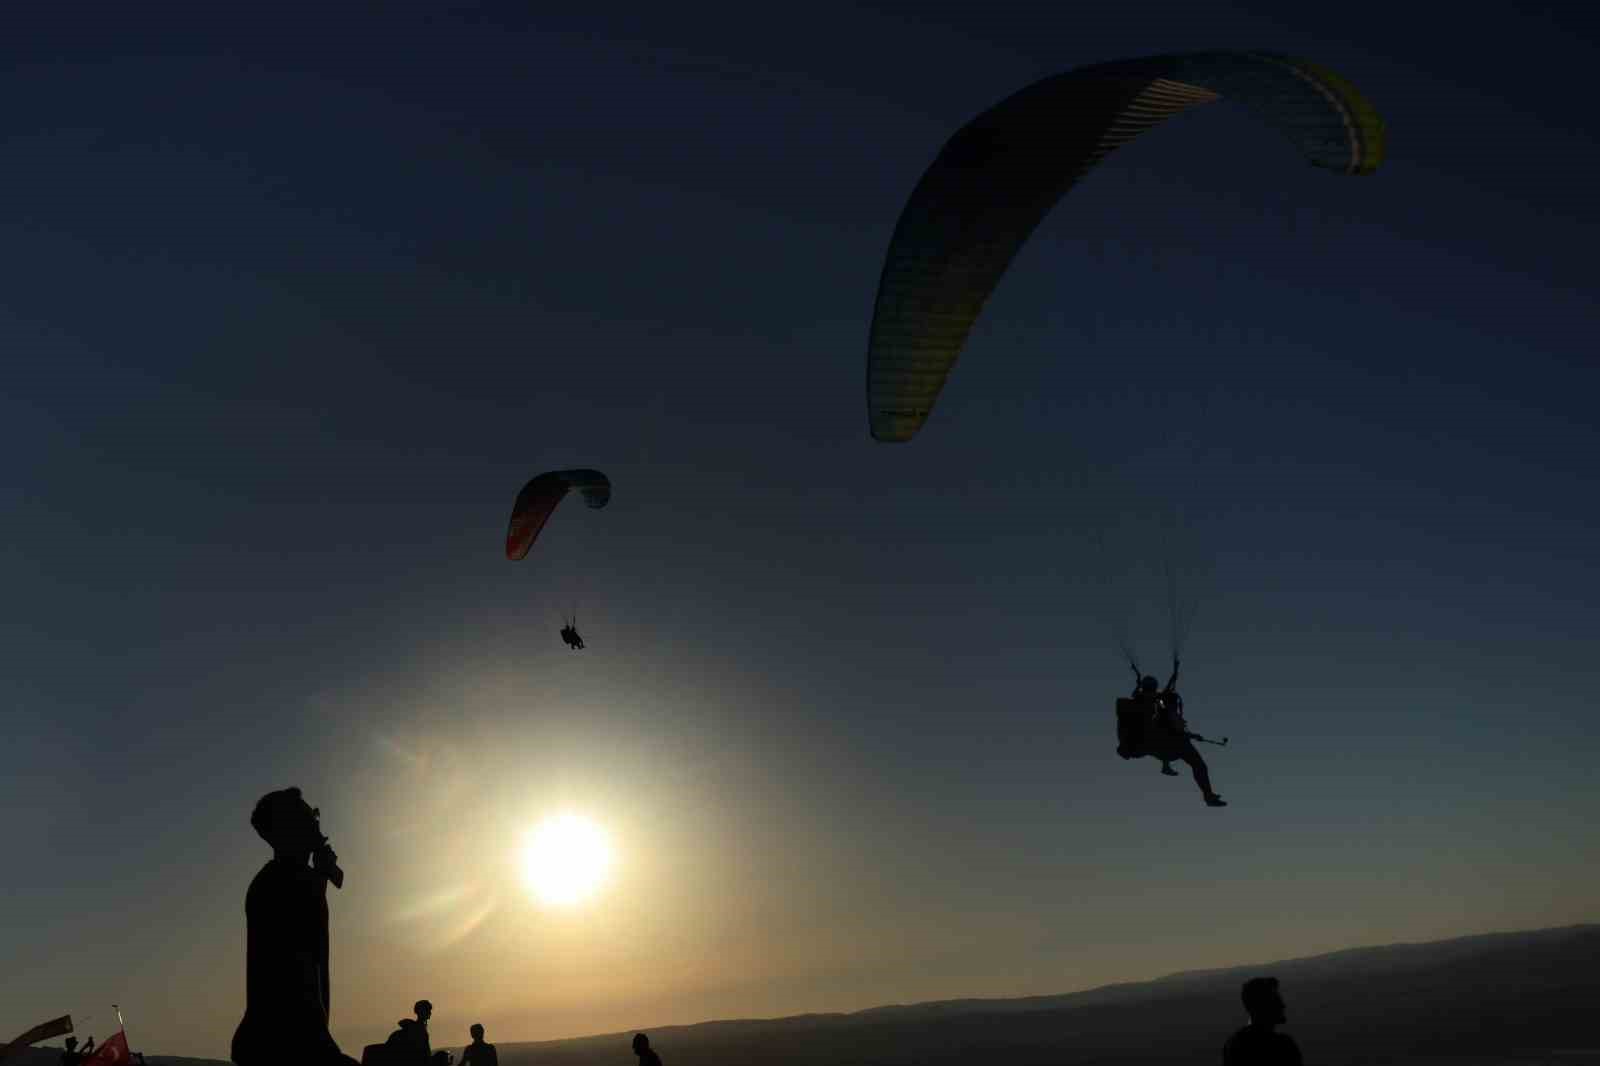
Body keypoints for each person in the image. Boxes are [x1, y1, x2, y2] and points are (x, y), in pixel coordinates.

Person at [231, 787, 361, 1066]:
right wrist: (323, 1049)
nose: (316, 822)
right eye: (307, 817)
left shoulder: (295, 880)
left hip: (289, 1041)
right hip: (282, 1044)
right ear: (286, 830)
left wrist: (321, 876)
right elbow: (294, 976)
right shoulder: (277, 885)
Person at [1222, 976, 1302, 1066]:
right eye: (1276, 1001)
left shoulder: (1233, 1044)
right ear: (1261, 1007)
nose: (1283, 1005)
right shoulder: (1283, 1045)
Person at [385, 1001, 452, 1066]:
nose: (430, 1013)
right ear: (422, 1012)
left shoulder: (417, 1028)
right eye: (428, 1010)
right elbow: (423, 1054)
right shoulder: (418, 1030)